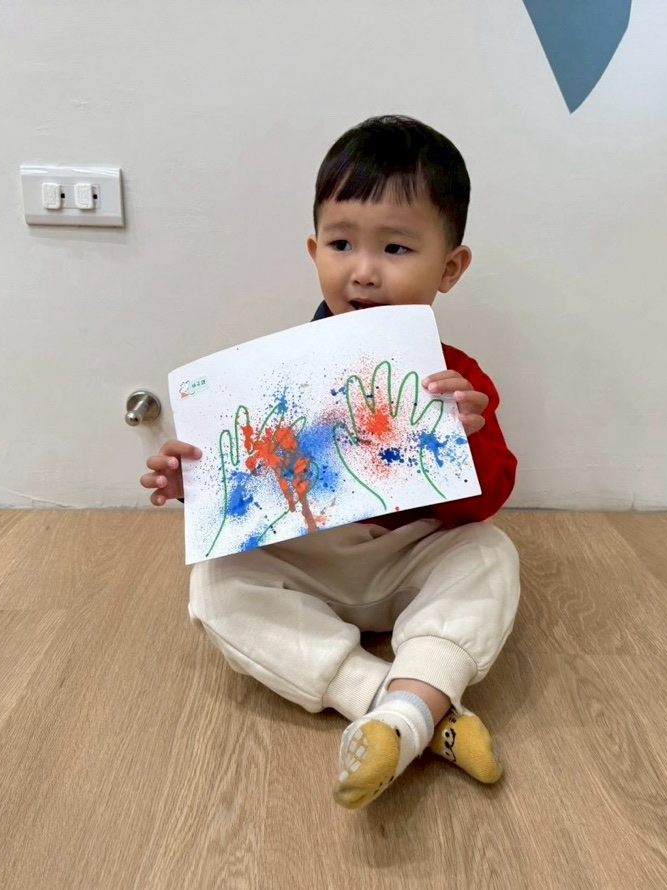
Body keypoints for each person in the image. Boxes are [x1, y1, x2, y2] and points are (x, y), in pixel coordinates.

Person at [140, 115, 520, 809]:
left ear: (450, 268)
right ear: (315, 251)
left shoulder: (454, 379)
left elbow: (487, 500)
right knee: (215, 584)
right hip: (310, 558)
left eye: (396, 247)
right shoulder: (276, 375)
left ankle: (406, 705)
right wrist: (198, 484)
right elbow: (252, 496)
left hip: (406, 556)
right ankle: (400, 705)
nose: (363, 270)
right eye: (341, 244)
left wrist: (464, 438)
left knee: (490, 554)